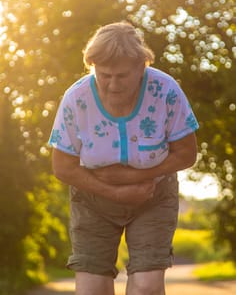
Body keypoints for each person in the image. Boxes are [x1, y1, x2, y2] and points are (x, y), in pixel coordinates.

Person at [48, 21, 199, 295]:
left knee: (147, 287)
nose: (112, 84)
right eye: (104, 75)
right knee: (92, 290)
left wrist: (133, 178)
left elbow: (187, 154)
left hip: (154, 196)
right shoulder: (75, 99)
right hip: (92, 200)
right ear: (91, 66)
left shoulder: (166, 91)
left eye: (122, 76)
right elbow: (62, 167)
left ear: (142, 67)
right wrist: (114, 192)